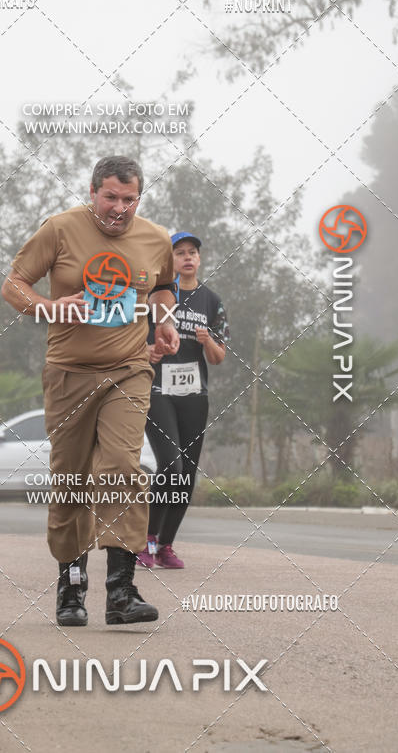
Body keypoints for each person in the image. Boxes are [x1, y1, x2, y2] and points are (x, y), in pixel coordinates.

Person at [2, 156, 179, 626]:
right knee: (72, 479)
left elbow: (163, 287)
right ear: (92, 190)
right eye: (111, 197)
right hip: (69, 372)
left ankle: (121, 592)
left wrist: (163, 321)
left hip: (129, 369)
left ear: (138, 197)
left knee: (123, 466)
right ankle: (71, 587)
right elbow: (14, 285)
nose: (119, 208)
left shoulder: (156, 237)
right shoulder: (60, 230)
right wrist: (49, 307)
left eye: (129, 199)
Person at [138, 231, 229, 569]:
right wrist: (145, 352)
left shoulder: (212, 301)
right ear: (170, 260)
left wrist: (207, 342)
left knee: (186, 475)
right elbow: (131, 337)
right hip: (158, 393)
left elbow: (219, 357)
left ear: (200, 259)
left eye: (193, 252)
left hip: (194, 396)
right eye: (180, 253)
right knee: (170, 466)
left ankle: (165, 546)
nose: (188, 257)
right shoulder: (156, 296)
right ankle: (144, 541)